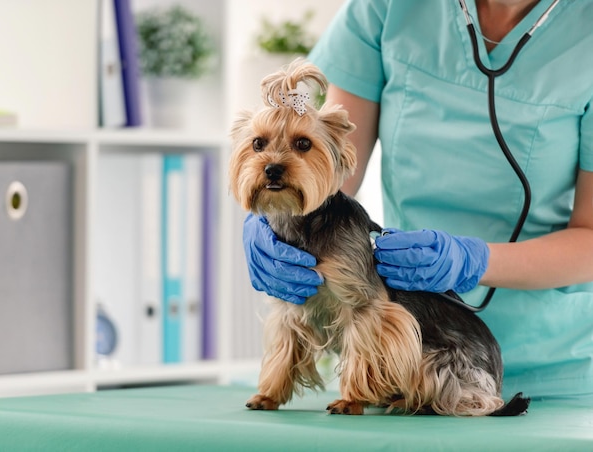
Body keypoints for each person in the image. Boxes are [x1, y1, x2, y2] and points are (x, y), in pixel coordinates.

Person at [242, 0, 593, 400]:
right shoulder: (388, 8)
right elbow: (332, 169)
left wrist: (471, 260)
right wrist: (275, 220)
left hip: (553, 365)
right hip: (396, 367)